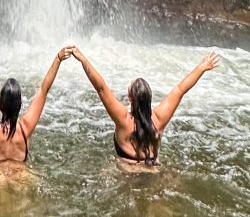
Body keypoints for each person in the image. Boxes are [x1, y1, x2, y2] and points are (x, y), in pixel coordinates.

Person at [71, 46, 220, 167]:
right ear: (149, 99)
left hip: (127, 175)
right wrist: (201, 68)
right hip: (154, 173)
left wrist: (83, 59)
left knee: (105, 171)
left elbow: (101, 88)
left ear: (130, 98)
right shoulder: (159, 119)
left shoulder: (124, 121)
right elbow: (181, 89)